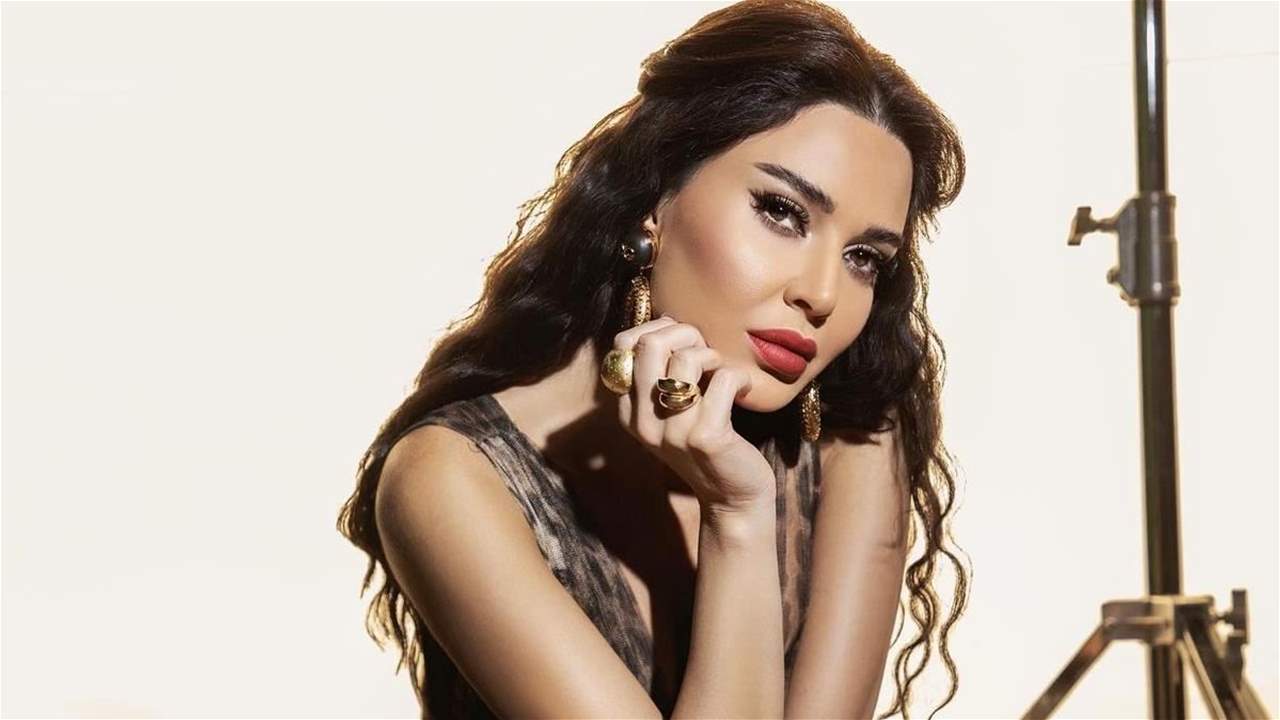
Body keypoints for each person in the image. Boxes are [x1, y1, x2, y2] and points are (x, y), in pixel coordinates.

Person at [337, 0, 969, 717]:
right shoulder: (451, 479)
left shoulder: (853, 438)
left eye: (864, 258)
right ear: (655, 197)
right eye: (781, 212)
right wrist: (737, 514)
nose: (822, 295)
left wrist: (742, 505)